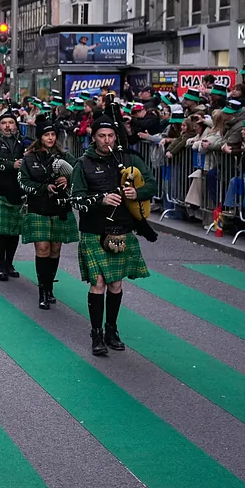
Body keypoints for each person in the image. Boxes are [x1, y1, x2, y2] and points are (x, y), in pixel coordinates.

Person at [69, 118, 158, 356]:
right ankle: (96, 333)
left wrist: (136, 192)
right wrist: (100, 200)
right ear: (93, 137)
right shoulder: (83, 163)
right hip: (94, 230)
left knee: (116, 284)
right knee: (98, 283)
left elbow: (152, 184)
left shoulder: (130, 159)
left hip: (123, 228)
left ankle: (111, 330)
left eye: (110, 135)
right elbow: (75, 198)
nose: (106, 140)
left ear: (115, 137)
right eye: (101, 136)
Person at [19, 115, 80, 309]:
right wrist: (44, 188)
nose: (51, 138)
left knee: (55, 249)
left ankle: (50, 288)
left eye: (53, 134)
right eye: (47, 135)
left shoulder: (65, 156)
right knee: (43, 249)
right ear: (40, 137)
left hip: (60, 207)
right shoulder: (29, 157)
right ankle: (42, 291)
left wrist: (67, 181)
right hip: (38, 207)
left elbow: (79, 177)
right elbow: (23, 182)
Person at [0, 110, 27, 280]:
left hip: (17, 190)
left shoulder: (22, 141)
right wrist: (11, 165)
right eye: (4, 123)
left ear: (16, 125)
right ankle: (1, 265)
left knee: (14, 231)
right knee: (0, 231)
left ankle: (9, 263)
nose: (8, 126)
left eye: (11, 123)